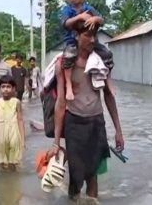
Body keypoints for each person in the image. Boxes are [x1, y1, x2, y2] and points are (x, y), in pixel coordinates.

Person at [48, 19, 124, 201]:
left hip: (97, 122)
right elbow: (60, 103)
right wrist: (56, 142)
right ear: (76, 36)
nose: (92, 40)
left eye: (94, 35)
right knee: (76, 176)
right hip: (74, 122)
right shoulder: (64, 64)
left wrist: (119, 131)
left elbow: (108, 96)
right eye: (87, 35)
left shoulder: (100, 63)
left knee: (94, 174)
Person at [61, 0, 115, 101]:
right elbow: (65, 23)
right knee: (68, 58)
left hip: (92, 41)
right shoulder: (67, 10)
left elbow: (101, 20)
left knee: (107, 53)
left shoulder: (89, 8)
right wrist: (79, 17)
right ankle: (69, 85)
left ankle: (108, 80)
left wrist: (95, 19)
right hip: (72, 41)